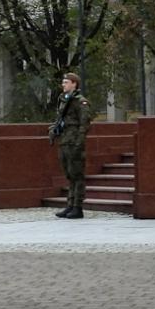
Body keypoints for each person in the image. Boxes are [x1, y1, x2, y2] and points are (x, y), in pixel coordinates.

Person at [51, 74, 89, 219]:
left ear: (74, 84)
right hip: (64, 140)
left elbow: (84, 124)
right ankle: (70, 205)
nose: (63, 84)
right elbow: (60, 119)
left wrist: (79, 142)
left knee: (77, 175)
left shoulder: (81, 102)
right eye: (63, 82)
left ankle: (77, 207)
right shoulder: (63, 100)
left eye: (66, 82)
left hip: (74, 142)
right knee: (69, 174)